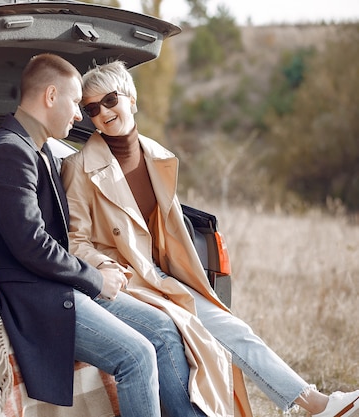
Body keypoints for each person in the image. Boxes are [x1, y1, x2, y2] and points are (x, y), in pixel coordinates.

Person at [61, 59, 359, 417]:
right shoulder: (77, 168)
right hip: (126, 283)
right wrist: (107, 268)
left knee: (234, 329)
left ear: (132, 99)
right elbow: (75, 240)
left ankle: (313, 402)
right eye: (91, 108)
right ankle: (313, 404)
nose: (102, 112)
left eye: (110, 100)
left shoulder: (158, 156)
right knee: (195, 337)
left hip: (161, 278)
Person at [0, 53, 210, 417]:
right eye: (77, 102)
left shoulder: (36, 148)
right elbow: (33, 247)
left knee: (161, 325)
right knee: (137, 356)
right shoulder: (8, 153)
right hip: (36, 296)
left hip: (59, 283)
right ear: (51, 96)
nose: (81, 115)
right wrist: (96, 279)